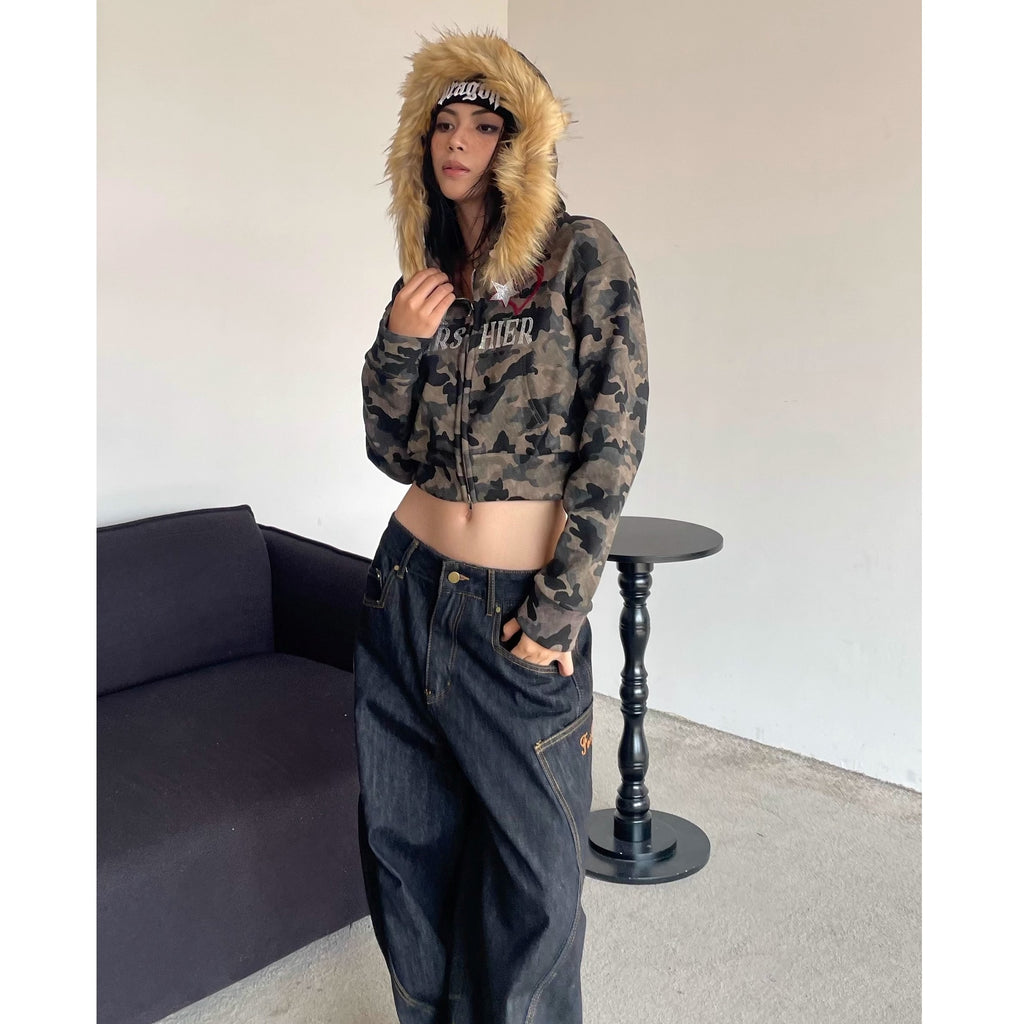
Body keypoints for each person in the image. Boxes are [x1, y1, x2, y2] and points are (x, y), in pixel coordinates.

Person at [354, 29, 649, 1024]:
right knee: (408, 857)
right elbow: (391, 452)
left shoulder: (581, 255)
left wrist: (558, 609)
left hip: (514, 608)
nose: (457, 141)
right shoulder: (425, 279)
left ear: (519, 143)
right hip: (404, 595)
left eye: (482, 125)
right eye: (443, 122)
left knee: (537, 881)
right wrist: (398, 343)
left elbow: (613, 439)